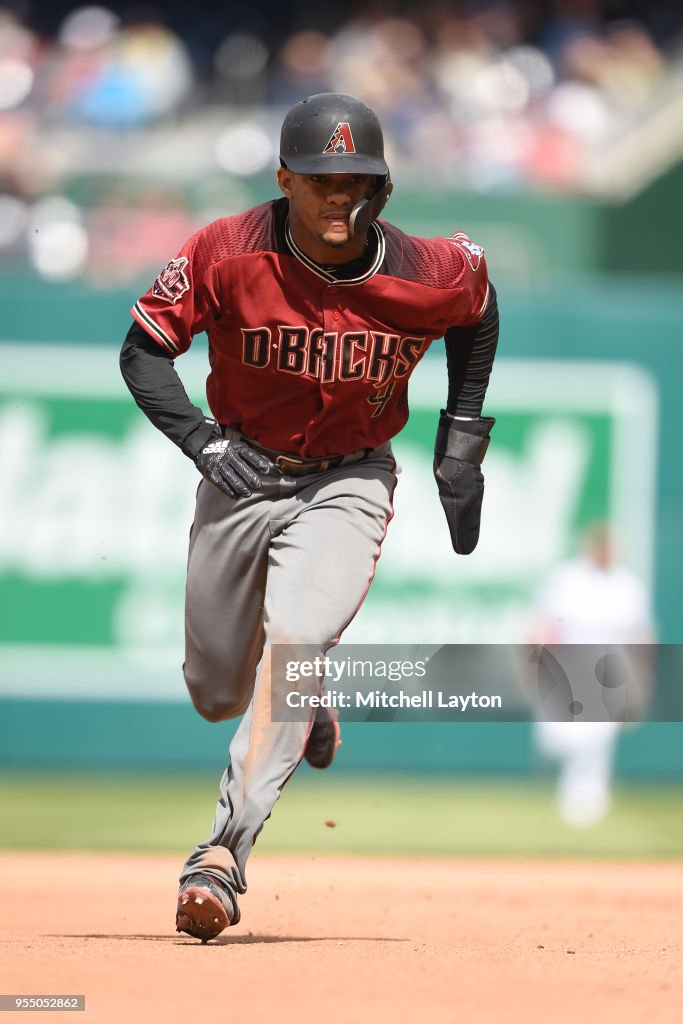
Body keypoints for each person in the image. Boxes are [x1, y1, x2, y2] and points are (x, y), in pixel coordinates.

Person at [120, 92, 499, 941]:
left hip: (348, 478)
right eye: (321, 179)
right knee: (215, 689)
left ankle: (220, 857)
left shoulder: (431, 269)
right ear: (286, 177)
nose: (339, 196)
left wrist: (459, 438)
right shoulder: (224, 251)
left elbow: (479, 311)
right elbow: (143, 348)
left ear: (383, 189)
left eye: (356, 180)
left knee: (291, 649)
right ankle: (309, 696)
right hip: (242, 471)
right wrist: (201, 442)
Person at [529, 522, 654, 827]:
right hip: (568, 665)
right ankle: (579, 791)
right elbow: (543, 626)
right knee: (559, 739)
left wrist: (638, 683)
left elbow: (639, 637)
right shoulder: (568, 579)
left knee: (597, 738)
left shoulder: (626, 585)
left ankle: (587, 800)